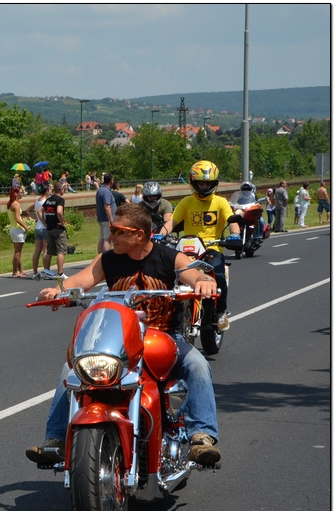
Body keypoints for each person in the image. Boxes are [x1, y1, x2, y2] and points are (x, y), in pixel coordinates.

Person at [26, 203, 223, 466]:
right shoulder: (108, 259)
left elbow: (192, 273)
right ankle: (57, 440)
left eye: (117, 231)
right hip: (118, 339)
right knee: (71, 370)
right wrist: (57, 290)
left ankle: (201, 436)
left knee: (197, 365)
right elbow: (79, 281)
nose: (110, 237)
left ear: (139, 235)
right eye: (110, 229)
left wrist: (203, 281)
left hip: (162, 336)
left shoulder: (169, 257)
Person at [157, 160, 242, 331]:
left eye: (207, 184)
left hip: (212, 248)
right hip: (186, 249)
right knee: (166, 276)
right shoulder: (186, 202)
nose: (204, 187)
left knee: (217, 276)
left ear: (214, 184)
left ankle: (220, 312)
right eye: (200, 183)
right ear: (193, 183)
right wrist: (160, 234)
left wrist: (235, 234)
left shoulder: (220, 202)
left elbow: (231, 220)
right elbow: (173, 221)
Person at [42, 181, 68, 276]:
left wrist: (44, 222)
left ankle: (46, 271)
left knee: (49, 251)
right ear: (61, 189)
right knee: (61, 250)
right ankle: (60, 273)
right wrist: (62, 223)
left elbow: (40, 210)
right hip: (58, 227)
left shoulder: (49, 199)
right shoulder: (60, 199)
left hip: (49, 227)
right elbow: (59, 211)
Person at [6, 186, 27, 278]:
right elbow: (18, 219)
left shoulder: (11, 203)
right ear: (15, 193)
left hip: (13, 229)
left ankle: (20, 270)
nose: (22, 194)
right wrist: (26, 227)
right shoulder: (16, 205)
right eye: (21, 192)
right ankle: (15, 271)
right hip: (17, 230)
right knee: (17, 253)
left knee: (18, 252)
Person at [30, 183, 49, 277]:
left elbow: (27, 210)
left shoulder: (37, 201)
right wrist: (44, 222)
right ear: (47, 191)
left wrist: (35, 218)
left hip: (38, 227)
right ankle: (46, 272)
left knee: (37, 251)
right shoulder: (46, 201)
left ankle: (35, 272)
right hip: (44, 227)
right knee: (46, 250)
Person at [95, 172, 116, 253]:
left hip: (101, 218)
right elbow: (107, 206)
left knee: (102, 238)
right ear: (111, 181)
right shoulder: (106, 192)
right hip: (106, 219)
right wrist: (111, 219)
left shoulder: (100, 190)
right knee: (107, 239)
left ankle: (100, 257)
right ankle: (106, 257)